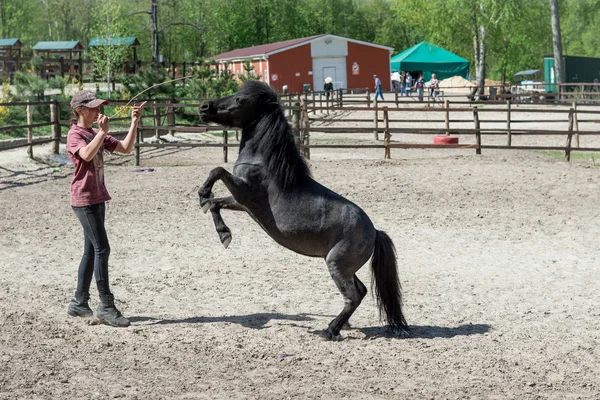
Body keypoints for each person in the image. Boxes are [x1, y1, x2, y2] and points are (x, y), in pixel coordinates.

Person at [66, 90, 146, 327]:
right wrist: (102, 132)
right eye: (93, 107)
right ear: (80, 110)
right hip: (84, 199)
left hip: (98, 197)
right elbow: (87, 155)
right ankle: (106, 307)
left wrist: (134, 123)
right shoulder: (76, 134)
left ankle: (79, 303)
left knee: (91, 251)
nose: (99, 111)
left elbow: (125, 148)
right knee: (102, 249)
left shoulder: (93, 132)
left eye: (99, 106)